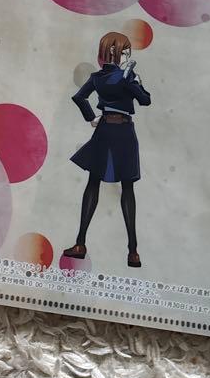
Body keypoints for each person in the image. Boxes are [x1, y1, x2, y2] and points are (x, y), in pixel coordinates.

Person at [64, 31, 151, 268]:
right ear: (113, 51)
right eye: (125, 52)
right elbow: (144, 100)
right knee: (126, 187)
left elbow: (80, 98)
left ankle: (81, 244)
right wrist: (136, 82)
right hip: (122, 132)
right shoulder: (124, 77)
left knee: (94, 183)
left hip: (106, 130)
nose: (127, 56)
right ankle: (132, 251)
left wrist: (92, 117)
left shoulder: (99, 77)